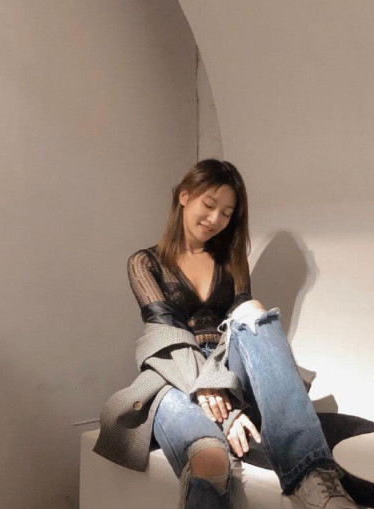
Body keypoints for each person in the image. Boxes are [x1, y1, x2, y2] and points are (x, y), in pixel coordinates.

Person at [93, 159, 359, 509]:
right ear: (184, 196)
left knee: (253, 311)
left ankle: (312, 478)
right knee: (210, 460)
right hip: (175, 375)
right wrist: (224, 409)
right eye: (208, 205)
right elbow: (165, 333)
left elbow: (243, 335)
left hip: (228, 370)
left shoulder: (233, 261)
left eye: (226, 213)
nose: (215, 219)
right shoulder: (145, 263)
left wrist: (225, 394)